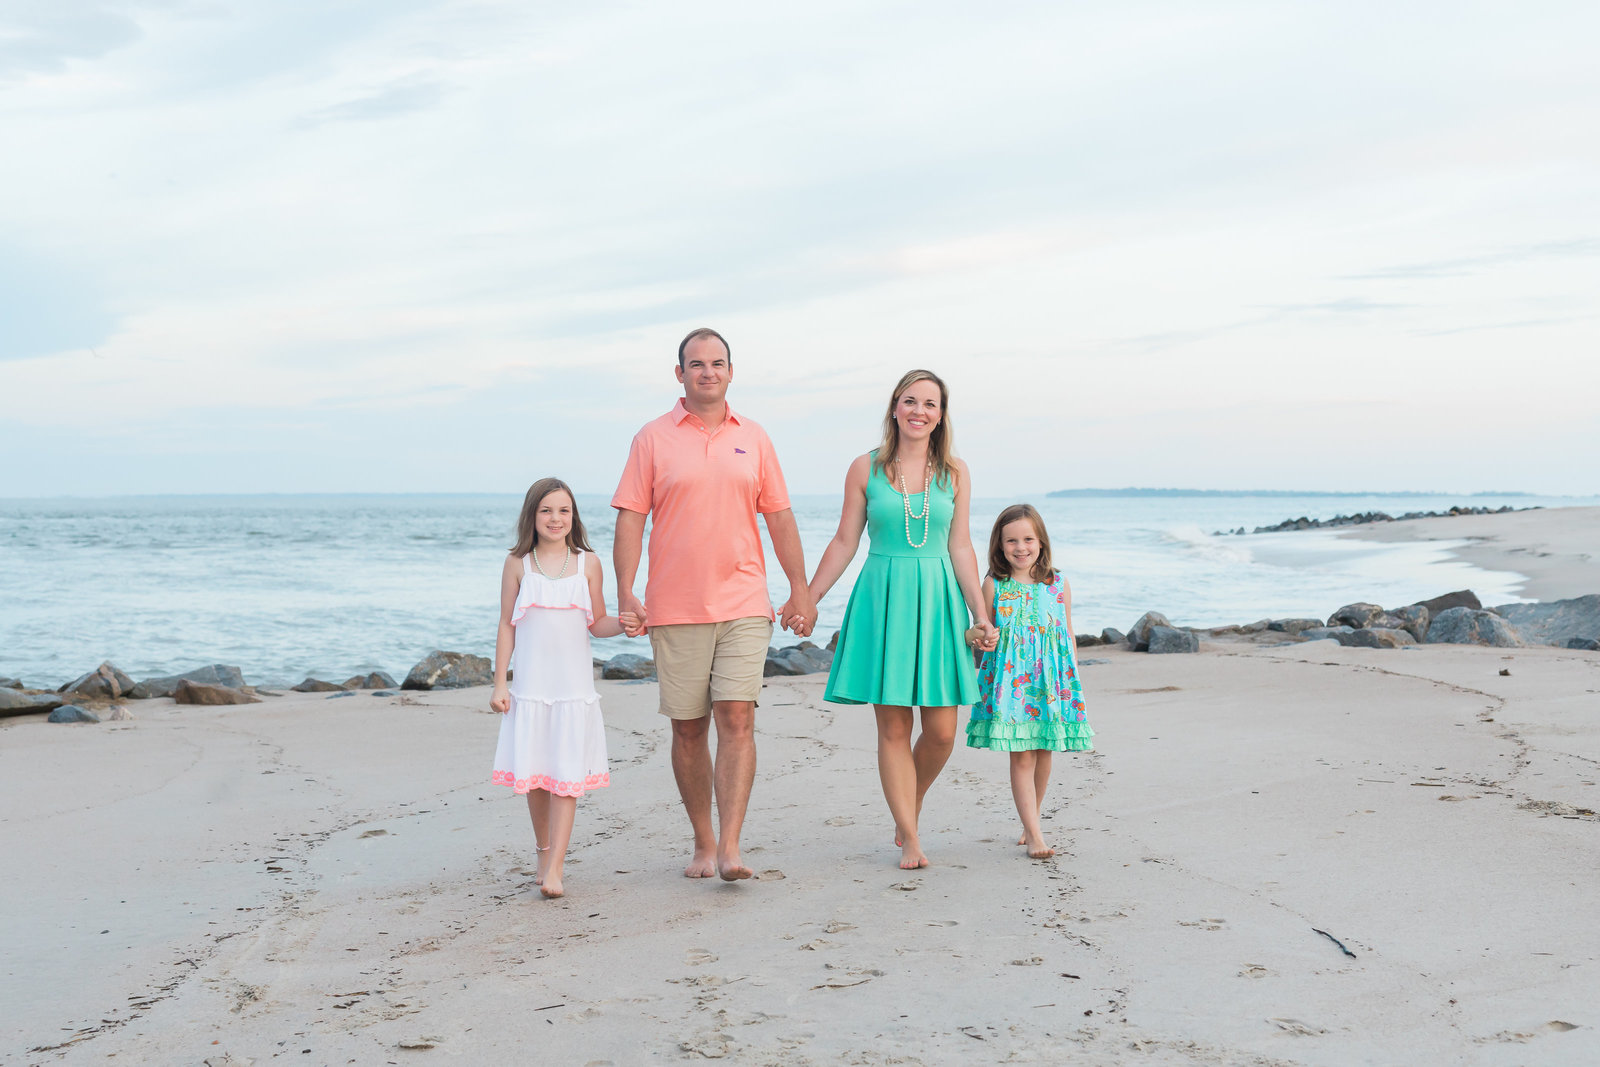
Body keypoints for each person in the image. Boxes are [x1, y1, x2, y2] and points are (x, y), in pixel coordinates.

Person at [612, 327, 817, 881]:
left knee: (737, 717)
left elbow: (778, 516)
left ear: (731, 372)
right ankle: (702, 841)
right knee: (687, 728)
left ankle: (730, 847)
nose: (707, 371)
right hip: (674, 605)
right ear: (679, 374)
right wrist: (626, 589)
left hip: (745, 599)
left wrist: (799, 588)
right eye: (696, 364)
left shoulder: (755, 436)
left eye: (717, 363)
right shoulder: (652, 438)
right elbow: (631, 516)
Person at [806, 369, 996, 870]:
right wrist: (810, 595)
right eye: (910, 401)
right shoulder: (864, 468)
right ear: (895, 407)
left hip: (938, 599)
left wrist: (980, 612)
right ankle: (910, 837)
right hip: (883, 597)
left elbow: (960, 546)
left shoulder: (955, 472)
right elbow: (846, 540)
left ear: (940, 415)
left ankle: (907, 802)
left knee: (941, 732)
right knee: (892, 725)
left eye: (930, 404)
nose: (919, 411)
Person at [490, 478, 626, 899]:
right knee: (534, 780)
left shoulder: (588, 563)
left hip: (571, 690)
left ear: (574, 517)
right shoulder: (518, 563)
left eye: (564, 510)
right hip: (530, 689)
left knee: (565, 777)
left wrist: (626, 623)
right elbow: (506, 626)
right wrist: (500, 683)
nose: (555, 518)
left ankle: (556, 869)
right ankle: (542, 850)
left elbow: (597, 623)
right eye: (547, 510)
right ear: (532, 515)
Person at [964, 503, 1094, 859]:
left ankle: (1029, 820)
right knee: (1021, 757)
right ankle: (1035, 834)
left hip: (1052, 682)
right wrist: (978, 636)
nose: (1020, 548)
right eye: (1011, 541)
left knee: (1043, 752)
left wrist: (1073, 680)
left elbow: (1066, 634)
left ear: (1041, 541)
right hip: (1012, 684)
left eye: (1027, 539)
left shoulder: (1058, 583)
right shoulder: (994, 584)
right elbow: (980, 629)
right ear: (1000, 545)